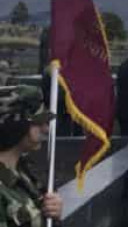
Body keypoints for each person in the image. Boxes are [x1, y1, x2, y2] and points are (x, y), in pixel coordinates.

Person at [0, 86, 63, 227]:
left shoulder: (26, 173)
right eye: (38, 122)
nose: (46, 129)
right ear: (15, 125)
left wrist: (53, 214)